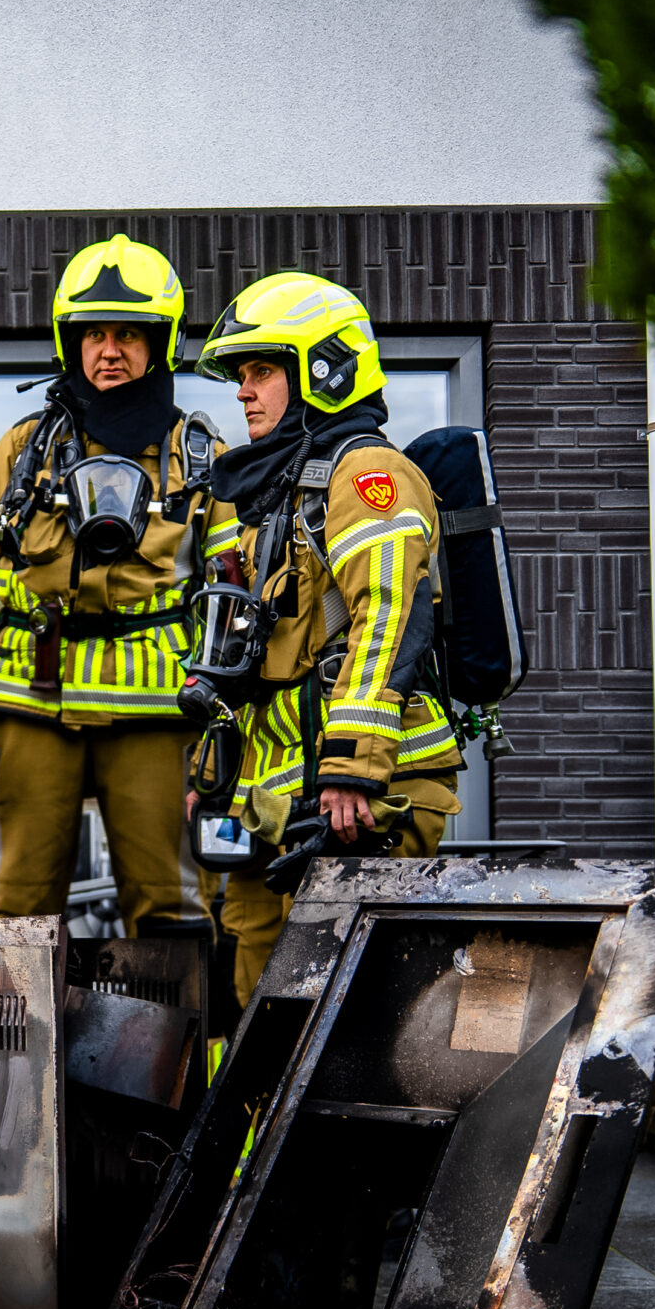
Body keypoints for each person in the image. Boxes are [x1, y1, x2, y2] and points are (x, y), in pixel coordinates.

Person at [184, 272, 462, 1007]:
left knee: (349, 1018)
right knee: (259, 1002)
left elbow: (389, 614)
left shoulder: (366, 473)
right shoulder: (276, 493)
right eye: (241, 376)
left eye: (262, 372)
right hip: (279, 800)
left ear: (325, 371)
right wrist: (214, 780)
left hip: (363, 795)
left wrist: (354, 768)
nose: (244, 393)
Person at [0, 235, 230, 932]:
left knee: (174, 914)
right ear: (72, 343)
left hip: (158, 721)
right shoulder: (23, 451)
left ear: (160, 345)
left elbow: (233, 603)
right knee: (8, 918)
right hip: (29, 710)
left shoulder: (201, 459)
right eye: (94, 334)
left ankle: (176, 1016)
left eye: (128, 335)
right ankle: (5, 1017)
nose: (109, 351)